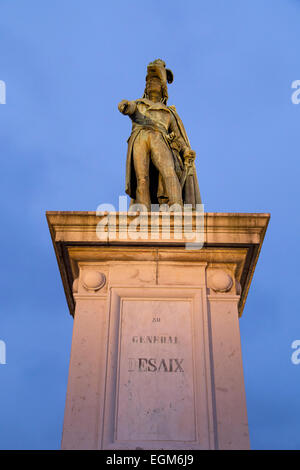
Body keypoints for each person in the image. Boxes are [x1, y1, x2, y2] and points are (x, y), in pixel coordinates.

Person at [118, 59, 201, 211]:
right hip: (139, 137)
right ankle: (143, 210)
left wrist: (185, 150)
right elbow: (130, 108)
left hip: (159, 138)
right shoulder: (139, 104)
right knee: (142, 178)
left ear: (162, 88)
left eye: (155, 83)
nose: (151, 85)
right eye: (149, 83)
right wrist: (124, 105)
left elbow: (178, 136)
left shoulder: (169, 113)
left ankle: (177, 207)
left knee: (168, 171)